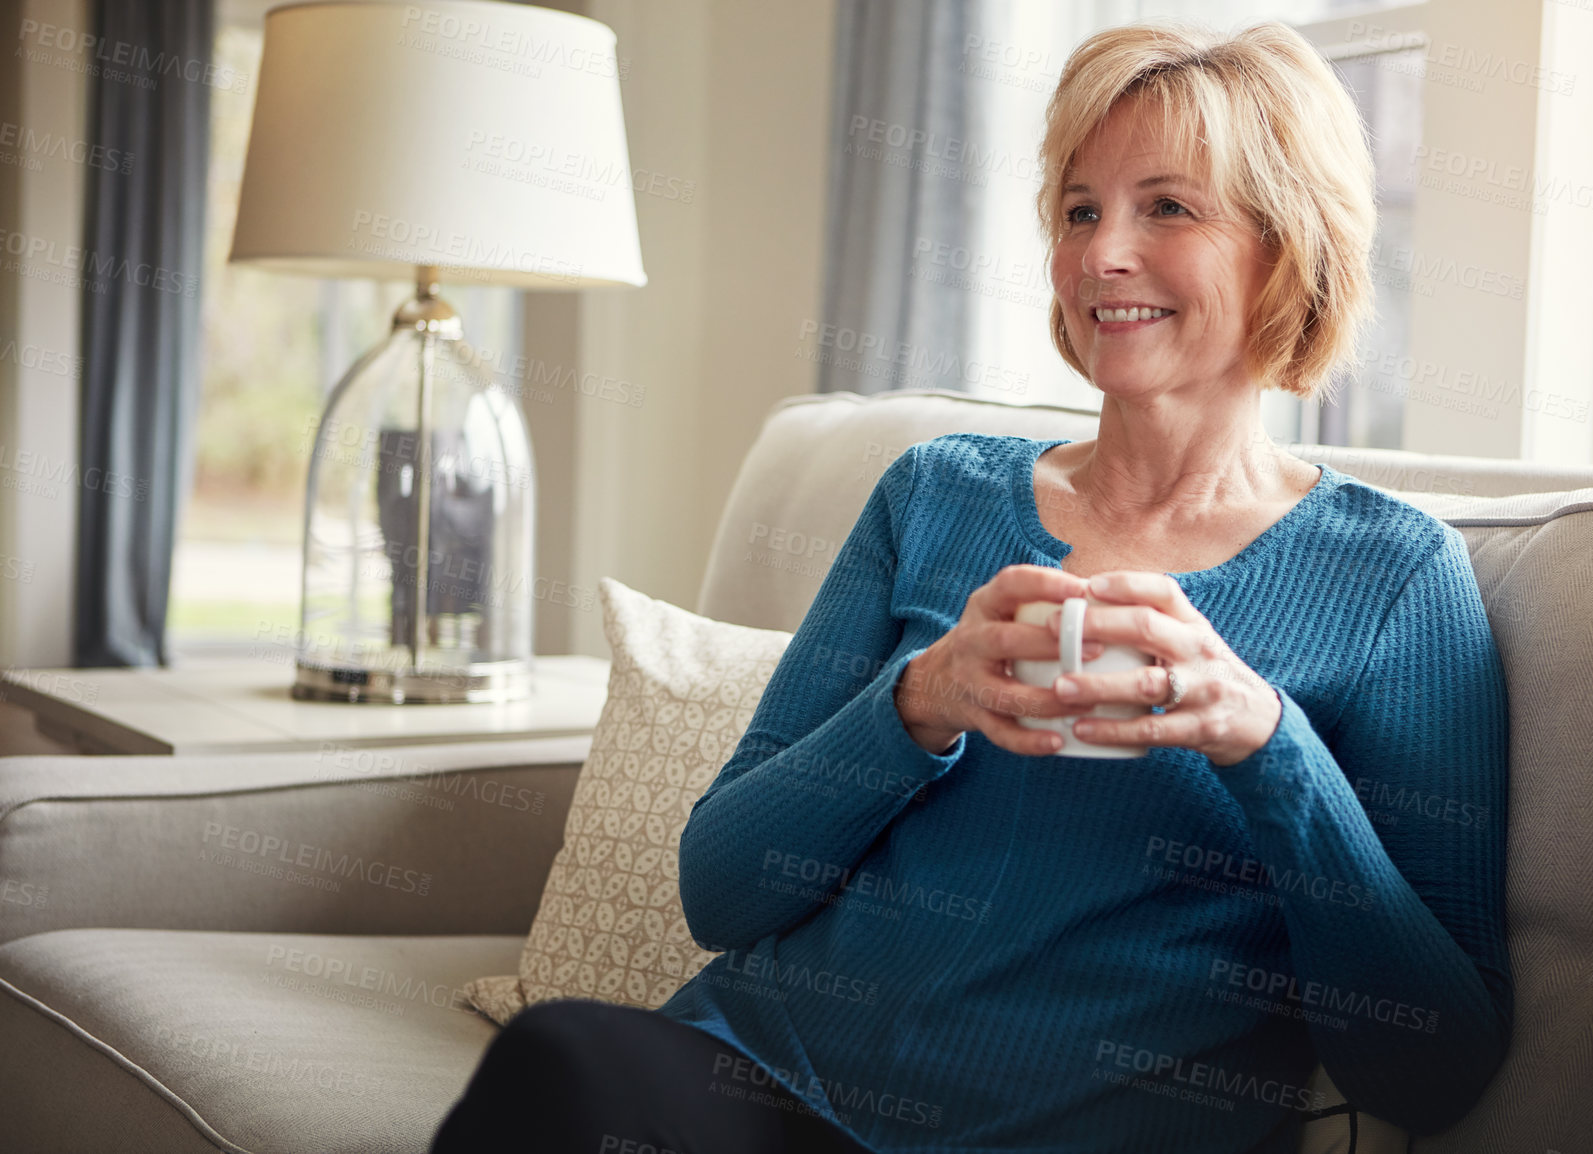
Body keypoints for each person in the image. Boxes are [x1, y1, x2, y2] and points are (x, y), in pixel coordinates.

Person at [432, 20, 1512, 1154]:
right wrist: (921, 696)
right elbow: (722, 889)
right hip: (763, 1081)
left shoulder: (1394, 578)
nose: (1101, 254)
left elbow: (1432, 1067)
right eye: (1080, 209)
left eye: (1168, 207)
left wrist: (1265, 742)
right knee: (560, 1057)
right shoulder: (936, 492)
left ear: (1286, 246)